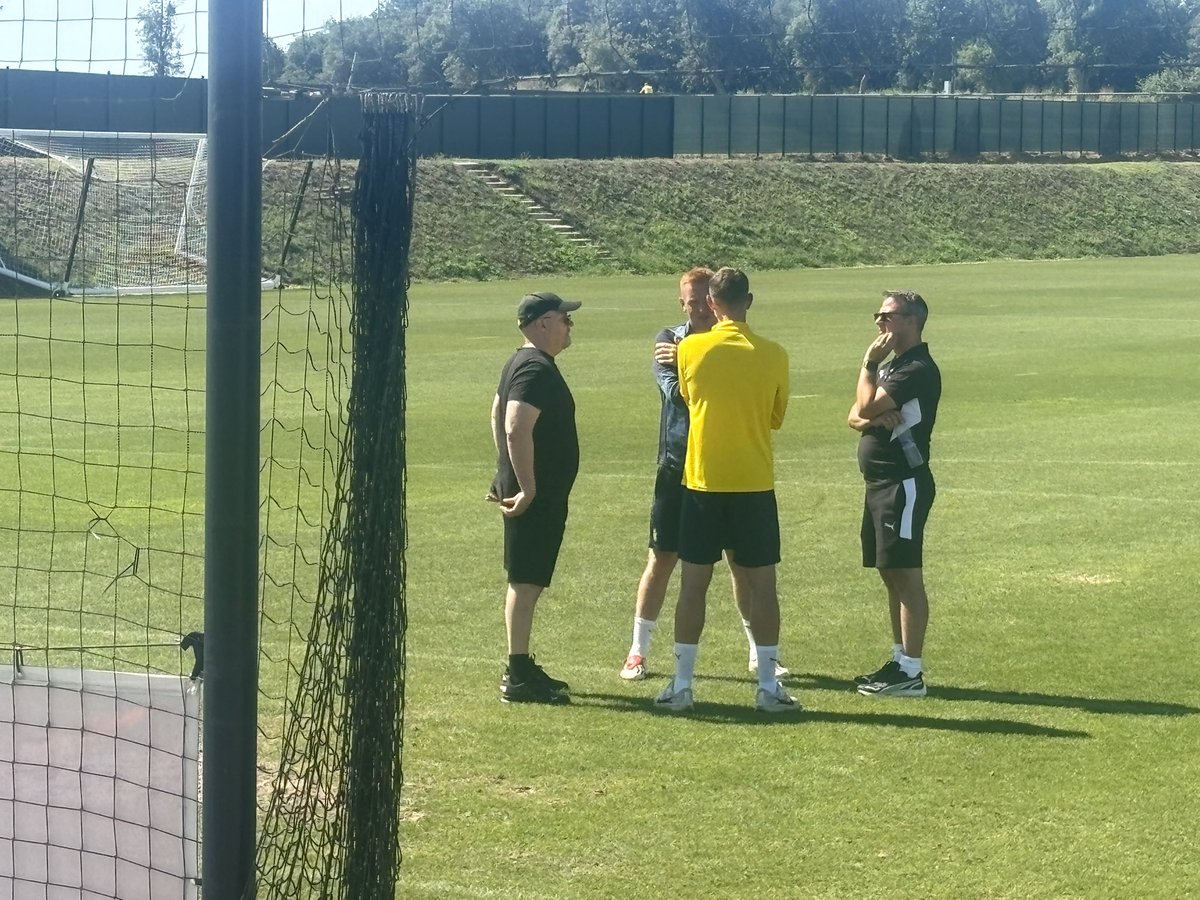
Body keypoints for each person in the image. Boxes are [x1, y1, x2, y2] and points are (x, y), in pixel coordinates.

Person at [621, 267, 789, 682]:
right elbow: (676, 393)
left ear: (714, 301)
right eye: (690, 301)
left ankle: (757, 651)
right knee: (662, 559)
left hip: (718, 471)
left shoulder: (697, 350)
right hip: (679, 464)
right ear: (682, 303)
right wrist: (692, 358)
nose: (697, 307)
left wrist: (694, 358)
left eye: (702, 299)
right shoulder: (670, 340)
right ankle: (637, 651)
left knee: (739, 565)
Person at [847, 290, 941, 697]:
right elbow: (855, 414)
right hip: (881, 483)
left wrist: (868, 364)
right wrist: (868, 411)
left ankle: (912, 673)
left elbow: (864, 408)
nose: (879, 323)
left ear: (911, 320)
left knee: (906, 573)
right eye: (879, 315)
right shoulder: (895, 368)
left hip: (903, 482)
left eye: (887, 315)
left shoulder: (915, 368)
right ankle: (899, 659)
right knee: (889, 572)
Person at [490, 291, 581, 704]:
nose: (569, 326)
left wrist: (504, 470)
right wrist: (525, 485)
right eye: (564, 319)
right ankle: (518, 673)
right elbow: (513, 424)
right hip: (535, 495)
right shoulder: (535, 367)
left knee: (528, 580)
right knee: (526, 582)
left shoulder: (520, 361)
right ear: (543, 323)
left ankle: (521, 665)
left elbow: (495, 412)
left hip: (533, 490)